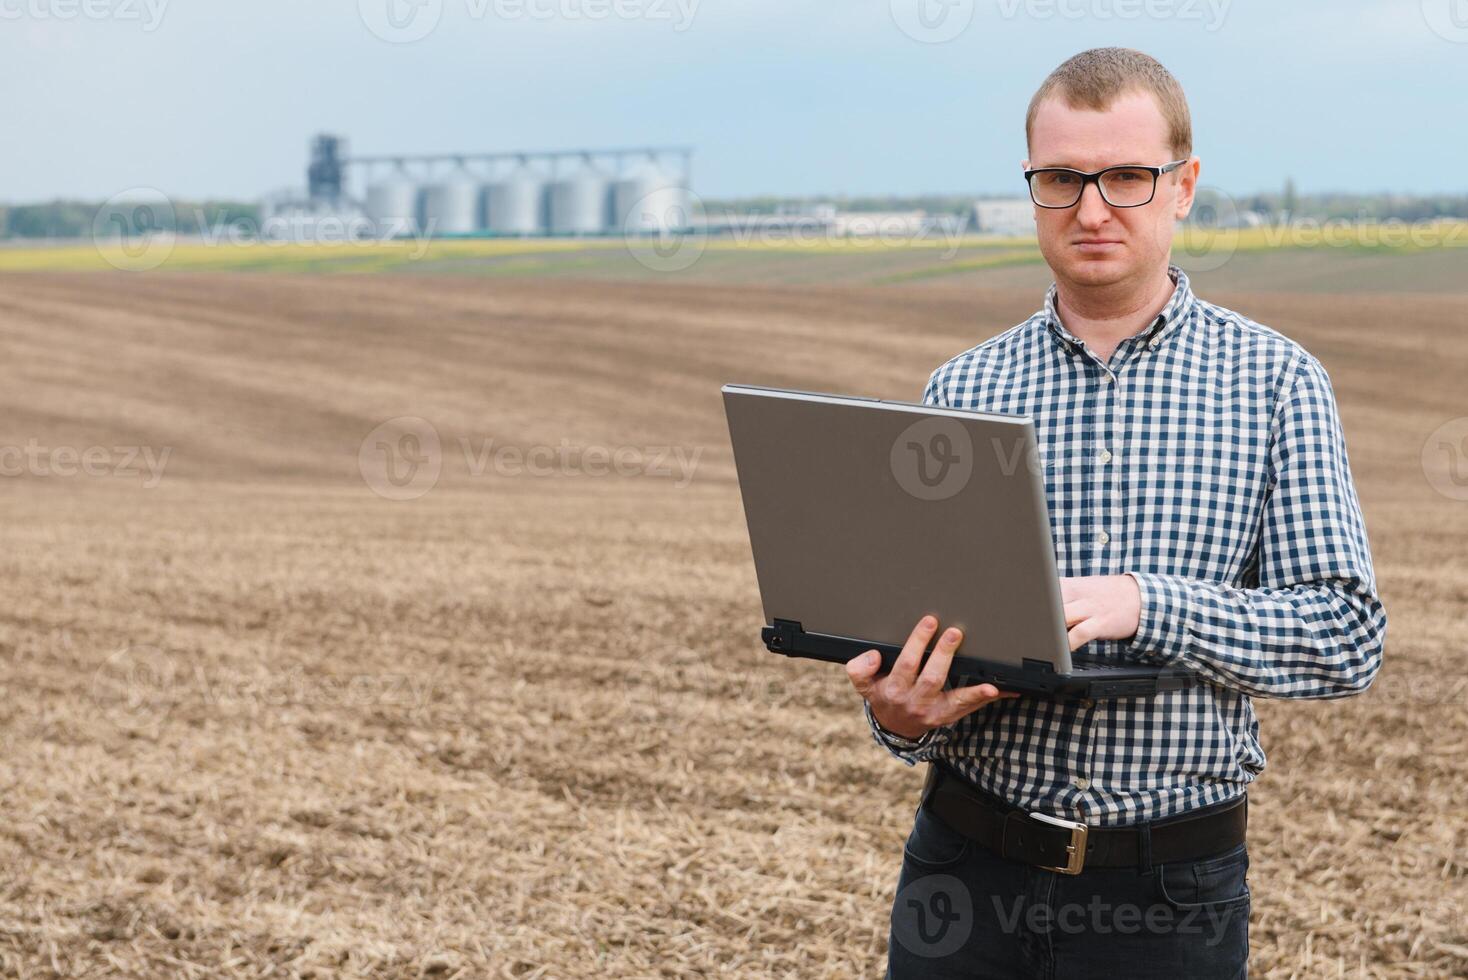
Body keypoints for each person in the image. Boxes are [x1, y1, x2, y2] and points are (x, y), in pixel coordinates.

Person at [844, 47, 1387, 979]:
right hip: (963, 876)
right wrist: (899, 714)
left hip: (1170, 898)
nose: (1091, 209)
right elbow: (917, 643)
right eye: (1061, 179)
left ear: (1184, 186)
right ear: (1033, 188)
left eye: (1126, 177)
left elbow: (1344, 637)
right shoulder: (960, 388)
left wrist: (1149, 604)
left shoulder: (1277, 383)